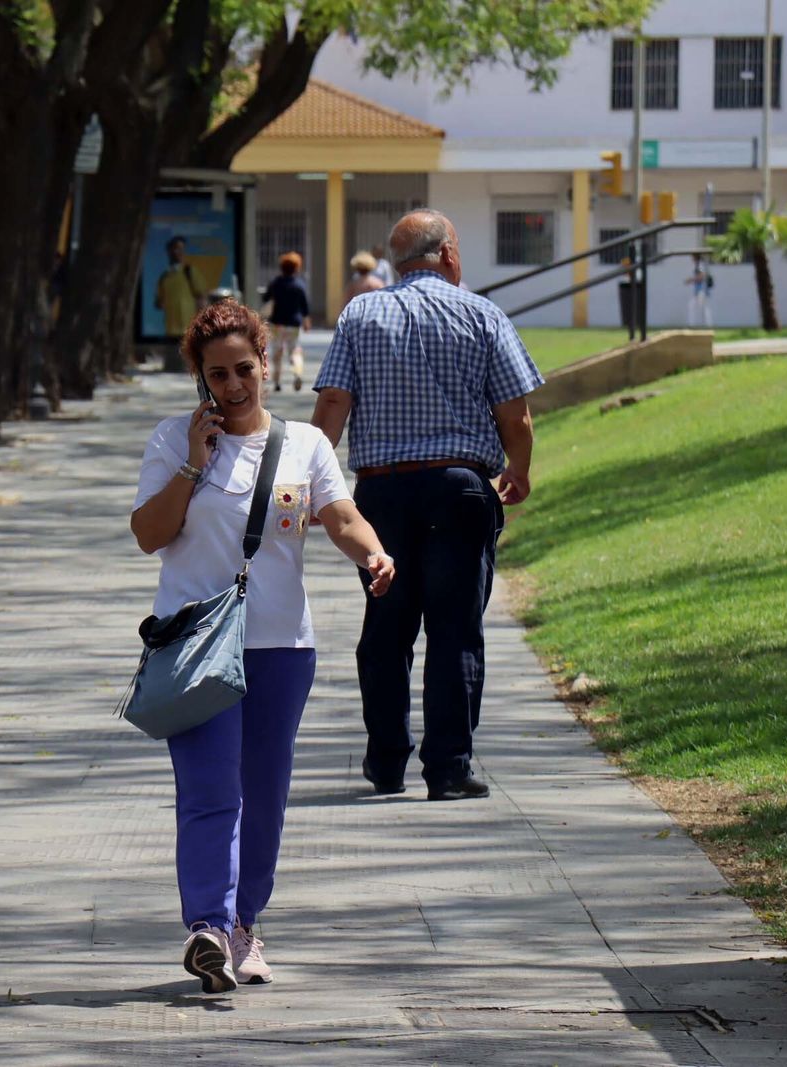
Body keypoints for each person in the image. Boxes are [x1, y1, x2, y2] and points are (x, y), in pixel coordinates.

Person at [131, 301, 394, 992]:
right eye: (217, 374)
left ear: (265, 364)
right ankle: (208, 927)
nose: (233, 385)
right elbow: (150, 534)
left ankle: (244, 922)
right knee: (210, 790)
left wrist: (372, 554)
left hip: (281, 645)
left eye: (243, 369)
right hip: (195, 647)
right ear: (200, 377)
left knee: (265, 794)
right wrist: (193, 465)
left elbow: (340, 514)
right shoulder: (172, 439)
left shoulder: (304, 444)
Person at [309, 208, 542, 802]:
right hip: (461, 490)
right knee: (455, 630)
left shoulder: (360, 313)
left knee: (386, 630)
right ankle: (448, 769)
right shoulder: (483, 314)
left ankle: (386, 762)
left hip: (382, 494)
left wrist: (310, 477)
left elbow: (333, 403)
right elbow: (515, 415)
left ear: (397, 261)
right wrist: (517, 469)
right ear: (449, 254)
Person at [263, 252, 310, 391]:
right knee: (294, 350)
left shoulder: (275, 283)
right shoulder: (299, 285)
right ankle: (297, 373)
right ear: (297, 267)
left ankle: (277, 382)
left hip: (277, 323)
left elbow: (265, 298)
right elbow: (304, 306)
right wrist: (306, 321)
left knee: (277, 352)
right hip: (293, 324)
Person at [155, 235, 208, 338]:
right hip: (170, 330)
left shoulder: (190, 272)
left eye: (182, 249)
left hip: (189, 330)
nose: (179, 252)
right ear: (169, 251)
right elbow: (159, 302)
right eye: (176, 248)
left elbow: (202, 298)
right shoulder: (164, 277)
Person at [685, 254, 714, 328]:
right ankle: (694, 325)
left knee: (703, 309)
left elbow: (703, 276)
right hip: (699, 291)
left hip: (702, 291)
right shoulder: (698, 265)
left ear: (695, 257)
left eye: (692, 257)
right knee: (694, 306)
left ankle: (708, 326)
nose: (691, 258)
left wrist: (691, 280)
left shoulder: (700, 265)